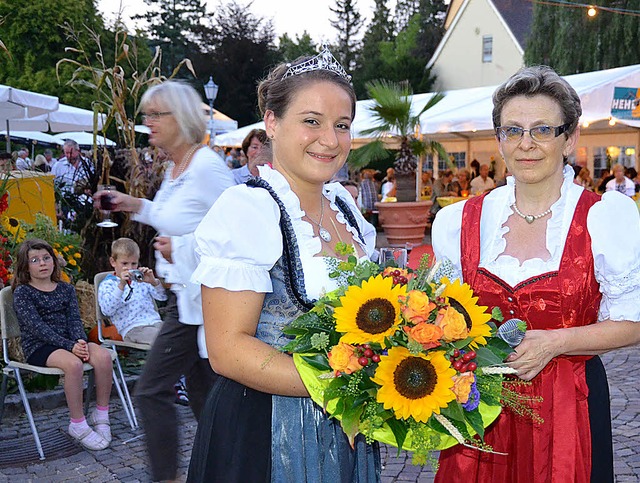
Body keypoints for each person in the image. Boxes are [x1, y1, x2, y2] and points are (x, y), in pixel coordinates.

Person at [432, 65, 640, 482]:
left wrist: (558, 341)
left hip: (571, 404)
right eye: (513, 130)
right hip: (479, 410)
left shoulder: (605, 217)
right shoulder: (458, 221)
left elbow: (633, 323)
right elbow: (439, 316)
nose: (527, 144)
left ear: (570, 139)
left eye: (543, 129)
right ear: (499, 140)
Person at [187, 45, 380, 482]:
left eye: (342, 125)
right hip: (264, 432)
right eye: (311, 121)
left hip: (348, 428)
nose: (330, 140)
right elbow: (228, 351)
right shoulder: (247, 210)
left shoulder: (345, 207)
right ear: (271, 123)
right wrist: (350, 390)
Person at [93, 80, 235, 482]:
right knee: (208, 403)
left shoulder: (206, 167)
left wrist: (185, 248)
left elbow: (240, 229)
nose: (149, 122)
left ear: (182, 117)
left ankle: (169, 478)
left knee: (152, 391)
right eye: (147, 115)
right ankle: (232, 469)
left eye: (157, 114)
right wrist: (131, 204)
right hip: (185, 302)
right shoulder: (178, 168)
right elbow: (174, 215)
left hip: (197, 306)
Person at [12, 239, 114, 450]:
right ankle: (77, 424)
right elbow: (36, 328)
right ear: (25, 266)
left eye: (46, 258)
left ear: (54, 261)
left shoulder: (65, 289)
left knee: (103, 357)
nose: (42, 263)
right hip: (40, 346)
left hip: (70, 342)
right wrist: (70, 347)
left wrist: (79, 341)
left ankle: (101, 414)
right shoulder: (23, 293)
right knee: (73, 365)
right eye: (35, 260)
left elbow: (74, 320)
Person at [97, 238, 167, 345]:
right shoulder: (108, 284)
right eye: (124, 263)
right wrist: (121, 285)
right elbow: (107, 310)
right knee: (165, 340)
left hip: (155, 323)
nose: (130, 268)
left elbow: (162, 297)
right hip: (133, 328)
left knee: (180, 334)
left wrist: (153, 282)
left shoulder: (141, 279)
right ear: (113, 262)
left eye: (134, 264)